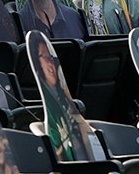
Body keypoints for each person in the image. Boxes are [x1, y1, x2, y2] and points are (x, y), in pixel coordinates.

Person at [30, 33, 95, 162]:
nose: (50, 63)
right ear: (38, 63)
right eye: (44, 58)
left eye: (51, 58)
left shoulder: (65, 101)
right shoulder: (51, 109)